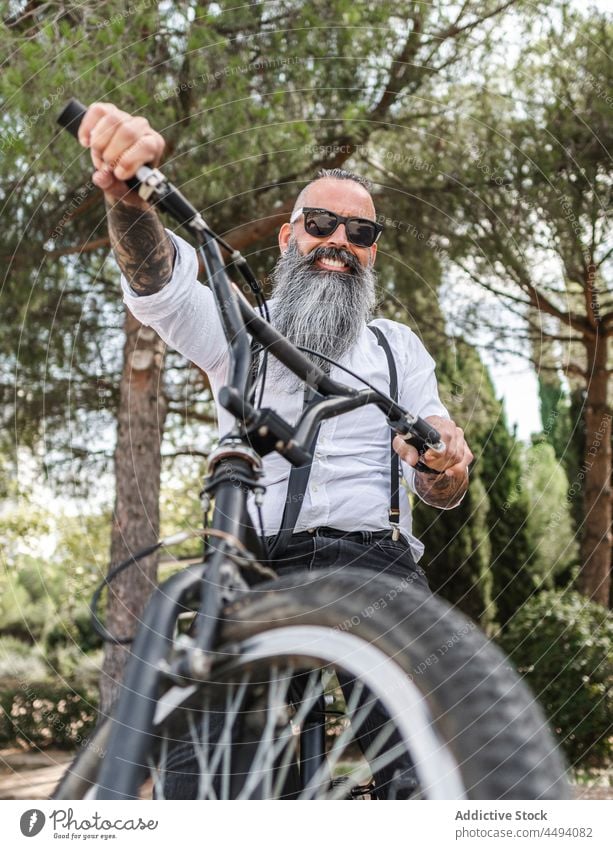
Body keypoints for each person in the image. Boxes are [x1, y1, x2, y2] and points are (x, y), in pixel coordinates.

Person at [78, 102, 474, 798]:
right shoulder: (239, 331)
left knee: (436, 758)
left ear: (373, 249)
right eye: (320, 223)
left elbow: (438, 483)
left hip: (376, 565)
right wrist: (125, 194)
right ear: (289, 235)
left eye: (360, 231)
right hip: (252, 563)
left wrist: (446, 462)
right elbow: (159, 286)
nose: (338, 240)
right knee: (204, 769)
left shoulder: (396, 346)